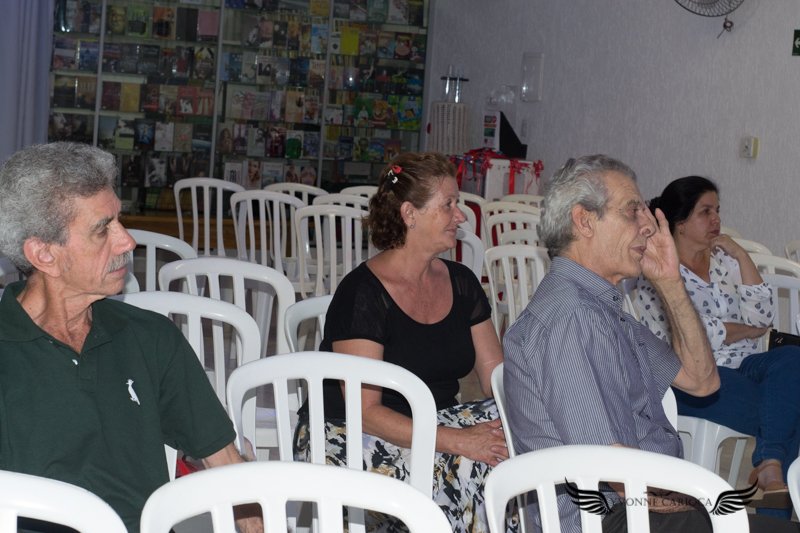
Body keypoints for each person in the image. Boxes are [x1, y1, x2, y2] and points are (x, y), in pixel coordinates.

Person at [503, 155, 796, 533]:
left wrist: (671, 283)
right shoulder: (572, 316)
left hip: (639, 508)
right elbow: (604, 465)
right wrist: (700, 500)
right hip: (613, 519)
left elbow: (702, 381)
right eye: (632, 212)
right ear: (584, 221)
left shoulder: (603, 309)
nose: (648, 226)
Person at [0, 143, 262, 533]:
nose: (127, 241)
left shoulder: (150, 337)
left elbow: (223, 464)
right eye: (102, 229)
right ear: (44, 255)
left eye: (118, 221)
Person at [293, 152, 514, 533]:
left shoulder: (462, 283)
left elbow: (497, 378)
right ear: (410, 214)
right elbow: (365, 412)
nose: (461, 216)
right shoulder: (363, 294)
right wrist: (459, 442)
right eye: (448, 205)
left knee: (513, 439)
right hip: (346, 433)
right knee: (467, 467)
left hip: (432, 422)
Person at [636, 176, 800, 516]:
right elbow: (694, 335)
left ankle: (769, 466)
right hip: (693, 376)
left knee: (792, 357)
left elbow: (764, 317)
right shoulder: (656, 270)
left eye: (717, 210)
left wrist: (741, 254)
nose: (717, 219)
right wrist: (743, 330)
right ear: (679, 223)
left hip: (746, 365)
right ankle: (774, 494)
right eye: (705, 212)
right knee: (789, 409)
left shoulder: (725, 261)